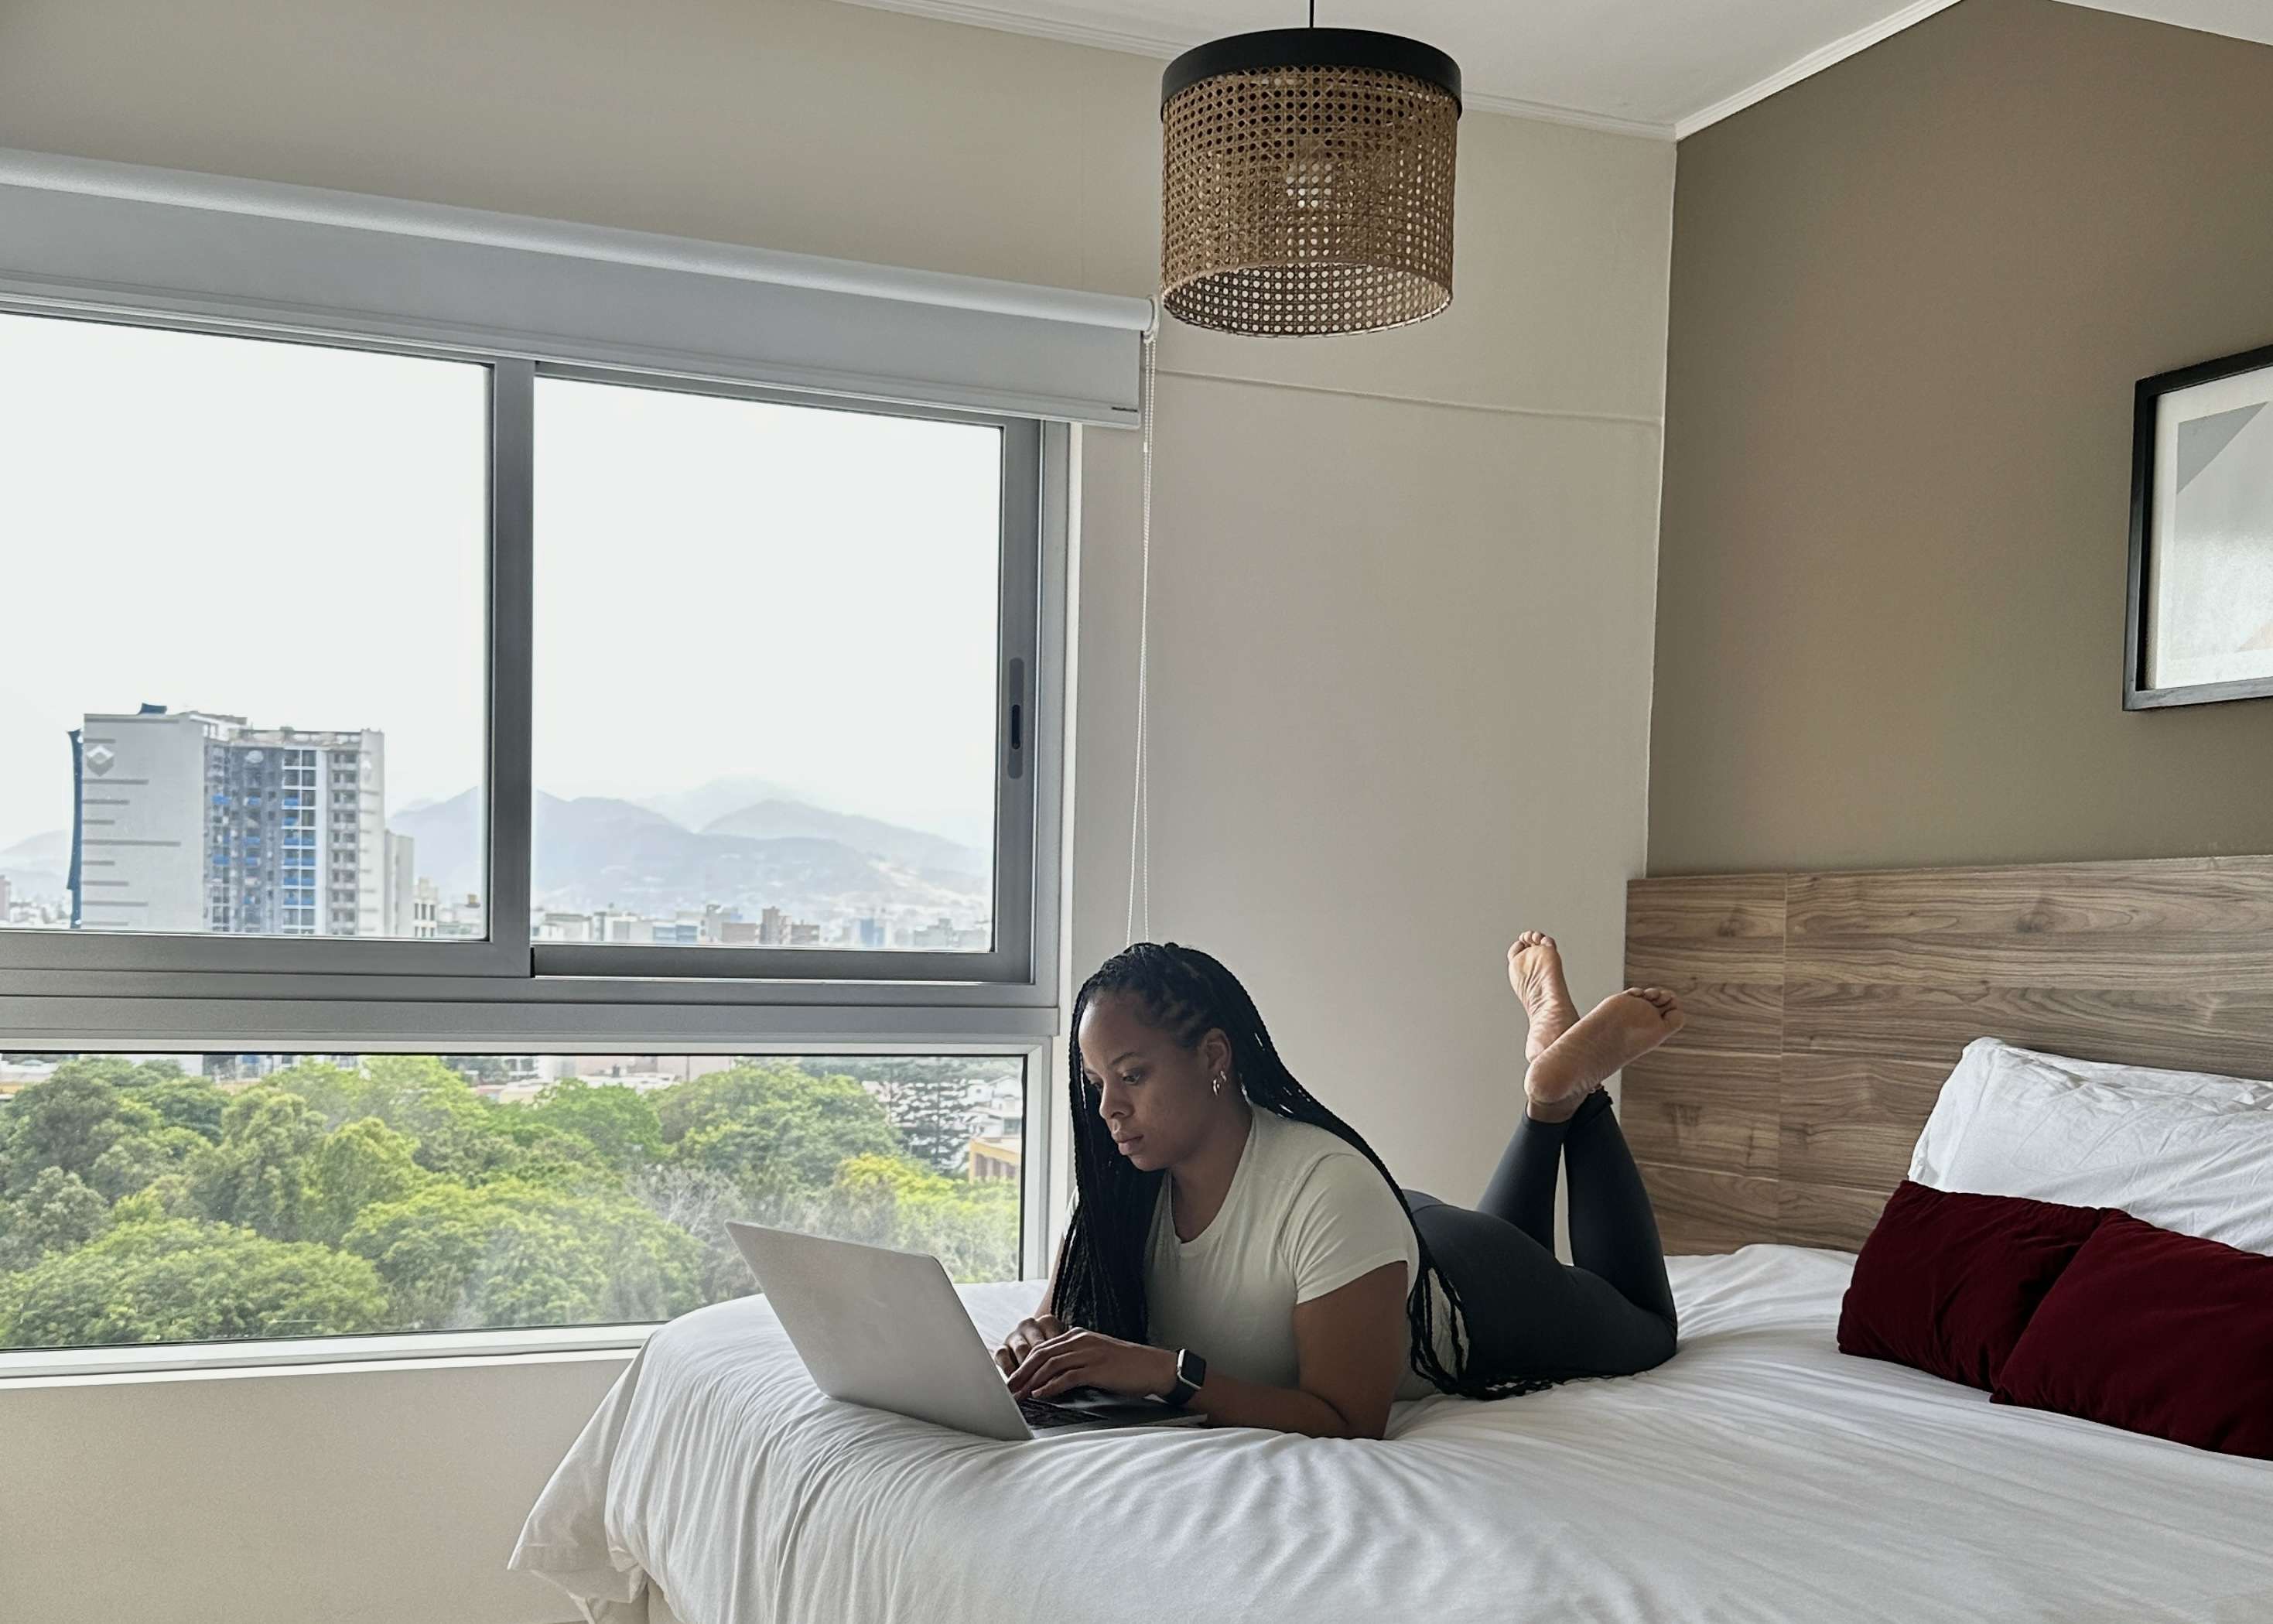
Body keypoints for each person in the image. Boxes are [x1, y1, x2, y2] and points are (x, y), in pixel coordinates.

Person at [995, 934, 1686, 1440]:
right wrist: (1038, 1341)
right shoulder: (1115, 1197)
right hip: (1376, 1250)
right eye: (1096, 1082)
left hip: (1471, 1288)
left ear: (1212, 1056)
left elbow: (1350, 1417)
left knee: (1648, 1328)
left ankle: (1575, 1092)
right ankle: (1549, 1089)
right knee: (1517, 1236)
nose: (1108, 1108)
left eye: (1132, 1075)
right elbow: (1066, 1321)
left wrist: (1169, 1373)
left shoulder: (1327, 1186)